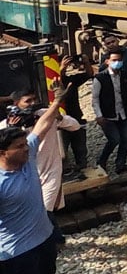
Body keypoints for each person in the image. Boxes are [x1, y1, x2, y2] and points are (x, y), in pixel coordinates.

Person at [0, 84, 68, 274]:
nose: (27, 148)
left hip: (45, 240)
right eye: (19, 146)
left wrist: (57, 101)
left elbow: (43, 125)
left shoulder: (26, 157)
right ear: (3, 153)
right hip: (17, 253)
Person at [8, 89, 81, 245]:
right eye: (28, 101)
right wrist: (11, 129)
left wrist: (59, 117)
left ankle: (50, 243)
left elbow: (75, 126)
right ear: (16, 104)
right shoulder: (8, 123)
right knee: (39, 210)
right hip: (28, 176)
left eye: (34, 99)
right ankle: (57, 239)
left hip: (50, 171)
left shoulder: (46, 114)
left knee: (44, 209)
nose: (33, 103)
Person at [91, 48, 127, 174]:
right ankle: (101, 162)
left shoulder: (126, 76)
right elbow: (95, 99)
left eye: (119, 60)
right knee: (114, 139)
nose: (117, 62)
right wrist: (99, 115)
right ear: (107, 61)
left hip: (123, 113)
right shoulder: (100, 78)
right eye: (114, 60)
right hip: (108, 116)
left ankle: (120, 164)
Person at [98, 37, 127, 152]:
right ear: (105, 45)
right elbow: (101, 74)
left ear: (118, 41)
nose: (111, 44)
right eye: (108, 43)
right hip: (115, 90)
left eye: (113, 41)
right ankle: (125, 141)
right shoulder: (105, 58)